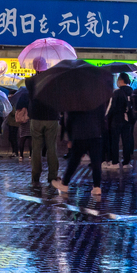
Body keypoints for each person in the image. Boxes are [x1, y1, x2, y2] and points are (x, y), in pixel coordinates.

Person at [56, 103, 104, 199]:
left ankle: (65, 183)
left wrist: (70, 138)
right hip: (95, 134)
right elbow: (101, 117)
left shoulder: (75, 102)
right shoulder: (97, 100)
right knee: (96, 162)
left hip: (80, 134)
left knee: (74, 160)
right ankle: (97, 187)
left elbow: (69, 121)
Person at [26, 59, 61, 188]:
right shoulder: (54, 80)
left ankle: (35, 175)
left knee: (36, 147)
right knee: (51, 147)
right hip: (52, 116)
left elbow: (30, 97)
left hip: (35, 117)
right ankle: (52, 175)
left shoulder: (29, 81)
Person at [106, 73, 137, 170]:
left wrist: (106, 118)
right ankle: (126, 162)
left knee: (115, 142)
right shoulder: (132, 91)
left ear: (121, 80)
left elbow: (111, 108)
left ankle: (115, 162)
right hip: (128, 120)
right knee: (126, 141)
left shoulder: (116, 92)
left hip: (116, 120)